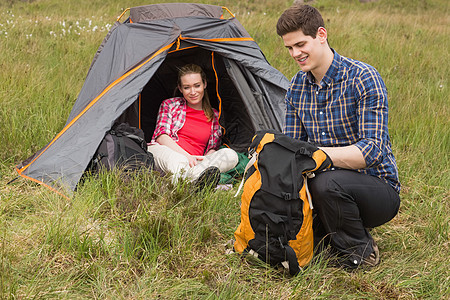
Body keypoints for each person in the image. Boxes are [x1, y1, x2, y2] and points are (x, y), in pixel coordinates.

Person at [276, 4, 400, 268]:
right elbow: (294, 149)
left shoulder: (363, 77)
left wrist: (315, 155)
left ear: (321, 34)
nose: (295, 54)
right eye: (289, 48)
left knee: (327, 183)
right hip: (321, 182)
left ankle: (360, 251)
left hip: (377, 187)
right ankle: (325, 237)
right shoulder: (296, 88)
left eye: (300, 44)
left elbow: (372, 151)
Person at [148, 64, 238, 188]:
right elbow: (161, 136)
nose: (193, 92)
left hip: (196, 163)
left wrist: (202, 162)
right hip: (167, 152)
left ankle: (187, 183)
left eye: (197, 85)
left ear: (204, 84)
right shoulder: (170, 105)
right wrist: (186, 156)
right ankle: (197, 183)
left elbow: (212, 149)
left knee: (230, 155)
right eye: (186, 87)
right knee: (178, 162)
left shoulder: (214, 116)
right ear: (180, 88)